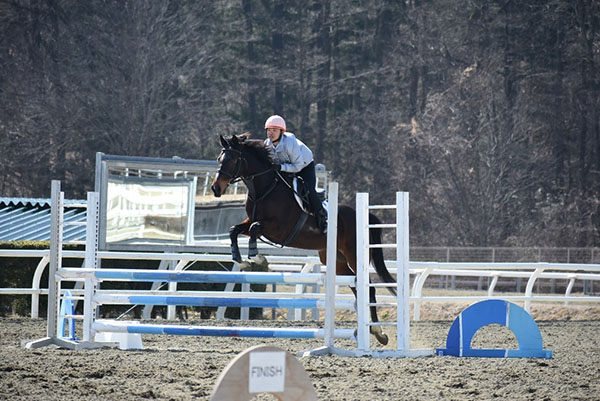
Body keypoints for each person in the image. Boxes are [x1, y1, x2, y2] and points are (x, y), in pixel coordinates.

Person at [263, 115, 327, 234]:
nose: (271, 133)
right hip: (286, 167)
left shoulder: (289, 141)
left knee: (309, 191)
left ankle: (322, 216)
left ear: (281, 132)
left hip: (304, 167)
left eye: (274, 130)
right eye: (269, 130)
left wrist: (281, 167)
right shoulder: (267, 144)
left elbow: (298, 166)